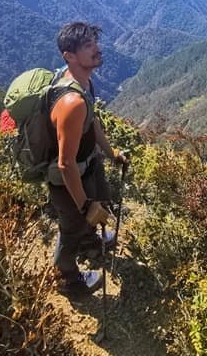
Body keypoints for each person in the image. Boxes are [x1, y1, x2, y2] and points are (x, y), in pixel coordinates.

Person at [46, 21, 129, 297]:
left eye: (95, 42)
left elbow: (92, 123)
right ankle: (70, 281)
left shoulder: (84, 85)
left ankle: (90, 240)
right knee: (71, 229)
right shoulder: (72, 103)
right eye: (87, 46)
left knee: (98, 201)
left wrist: (111, 153)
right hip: (68, 180)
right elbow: (65, 164)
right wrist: (83, 206)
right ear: (68, 56)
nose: (97, 49)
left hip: (87, 165)